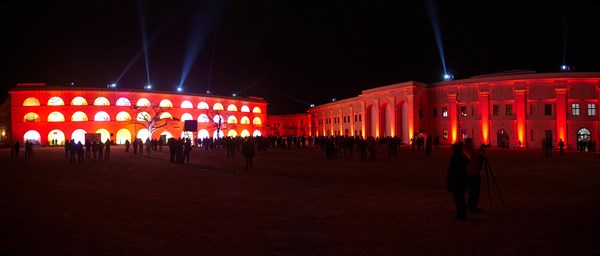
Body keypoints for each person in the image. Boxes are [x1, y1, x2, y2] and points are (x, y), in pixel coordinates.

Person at [447, 141, 469, 220]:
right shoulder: (463, 156)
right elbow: (467, 163)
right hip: (462, 179)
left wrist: (449, 178)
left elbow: (451, 168)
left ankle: (461, 214)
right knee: (461, 198)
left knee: (458, 199)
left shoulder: (455, 156)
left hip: (457, 180)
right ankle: (462, 214)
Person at [464, 138, 483, 214]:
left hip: (475, 172)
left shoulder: (471, 150)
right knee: (472, 191)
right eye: (470, 142)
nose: (472, 143)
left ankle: (474, 205)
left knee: (476, 191)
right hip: (470, 173)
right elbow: (472, 156)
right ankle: (470, 206)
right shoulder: (466, 150)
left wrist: (480, 150)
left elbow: (475, 155)